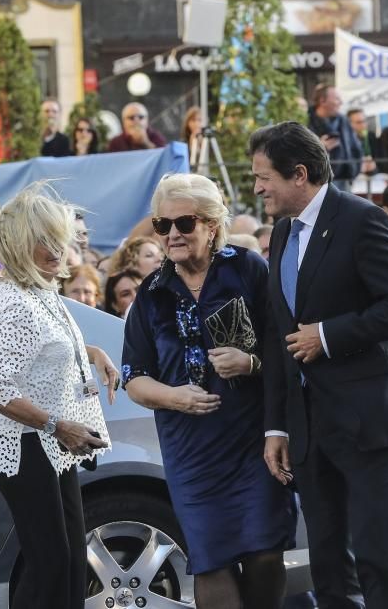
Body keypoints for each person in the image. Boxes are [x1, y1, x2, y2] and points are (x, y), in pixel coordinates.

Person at [253, 121, 388, 609]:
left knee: (377, 560)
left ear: (300, 174)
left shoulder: (361, 219)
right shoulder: (284, 232)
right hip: (309, 429)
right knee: (329, 565)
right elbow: (277, 334)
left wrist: (327, 336)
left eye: (263, 176)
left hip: (369, 421)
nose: (257, 188)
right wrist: (277, 427)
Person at [122, 173, 295, 609]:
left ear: (212, 224)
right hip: (191, 450)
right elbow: (134, 379)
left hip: (253, 439)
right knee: (211, 557)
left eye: (185, 223)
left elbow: (286, 349)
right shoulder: (152, 293)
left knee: (264, 552)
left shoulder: (247, 269)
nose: (173, 235)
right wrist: (174, 396)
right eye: (163, 226)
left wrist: (250, 362)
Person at [0, 182, 116, 609]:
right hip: (25, 446)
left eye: (56, 238)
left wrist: (92, 353)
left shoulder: (38, 289)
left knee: (72, 559)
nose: (54, 249)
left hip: (48, 442)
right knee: (51, 563)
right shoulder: (18, 302)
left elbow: (47, 345)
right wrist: (59, 426)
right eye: (40, 240)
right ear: (20, 245)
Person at [308, 84, 363, 188]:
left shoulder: (344, 121)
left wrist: (353, 170)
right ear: (322, 101)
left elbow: (356, 149)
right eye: (337, 99)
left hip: (344, 182)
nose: (341, 103)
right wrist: (319, 147)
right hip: (316, 185)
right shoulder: (305, 121)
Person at [183, 106, 205, 170]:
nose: (197, 123)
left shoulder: (208, 140)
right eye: (193, 120)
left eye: (199, 120)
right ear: (187, 123)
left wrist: (201, 144)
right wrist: (191, 145)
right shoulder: (182, 143)